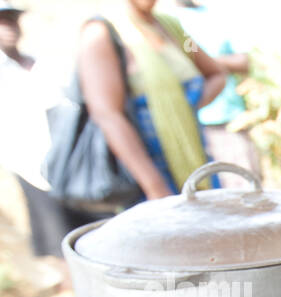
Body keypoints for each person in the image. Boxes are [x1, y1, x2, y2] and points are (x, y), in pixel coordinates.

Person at [76, 0, 225, 200]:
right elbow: (107, 115)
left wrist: (184, 108)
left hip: (197, 162)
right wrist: (155, 187)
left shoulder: (173, 29)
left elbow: (216, 74)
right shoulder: (101, 34)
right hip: (150, 177)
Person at [0, 3, 96, 264]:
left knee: (94, 232)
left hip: (70, 162)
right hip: (33, 169)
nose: (7, 27)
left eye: (10, 19)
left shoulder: (40, 63)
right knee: (59, 242)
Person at [174, 0, 260, 188]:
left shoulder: (218, 18)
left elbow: (243, 62)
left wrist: (208, 64)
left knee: (246, 187)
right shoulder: (171, 23)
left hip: (231, 121)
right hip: (196, 126)